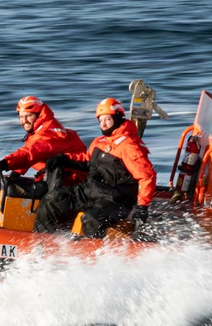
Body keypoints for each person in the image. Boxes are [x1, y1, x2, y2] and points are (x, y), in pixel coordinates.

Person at [34, 97, 157, 239]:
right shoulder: (99, 142)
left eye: (107, 119)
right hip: (91, 190)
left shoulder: (129, 145)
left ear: (117, 117)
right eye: (100, 120)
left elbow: (147, 176)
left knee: (91, 218)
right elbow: (87, 161)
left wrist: (142, 206)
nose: (103, 124)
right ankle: (42, 244)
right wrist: (63, 159)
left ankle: (96, 254)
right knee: (53, 199)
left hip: (116, 199)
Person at [0, 96, 87, 199]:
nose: (24, 121)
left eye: (28, 116)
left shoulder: (47, 132)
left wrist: (5, 163)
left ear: (38, 115)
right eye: (21, 117)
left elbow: (31, 153)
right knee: (10, 183)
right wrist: (15, 173)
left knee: (14, 188)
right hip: (58, 176)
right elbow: (34, 154)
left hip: (71, 180)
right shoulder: (41, 129)